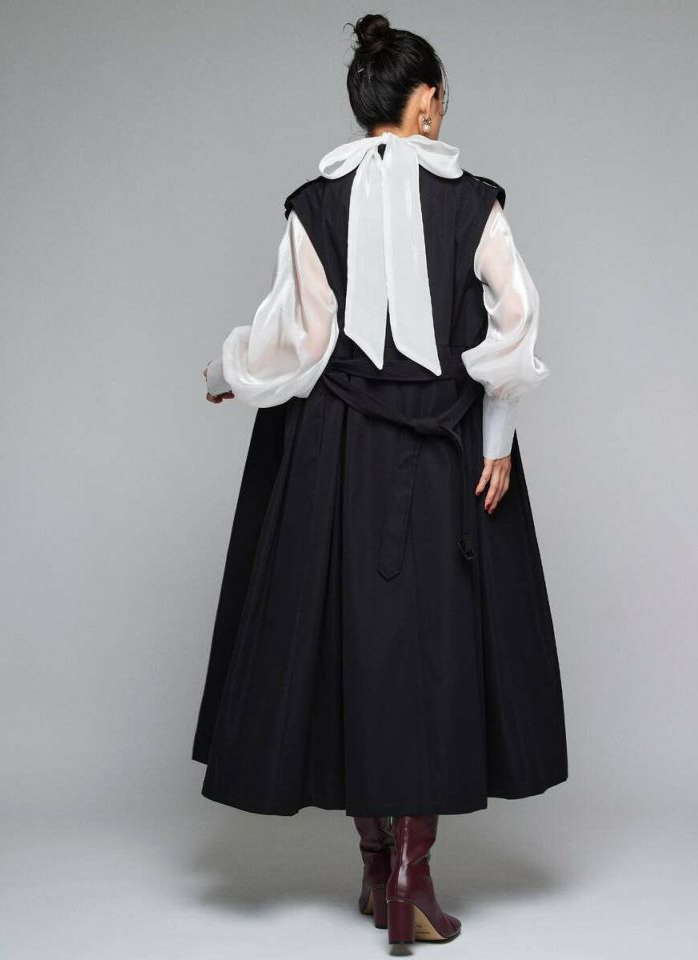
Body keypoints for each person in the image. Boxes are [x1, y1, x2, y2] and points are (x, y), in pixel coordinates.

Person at [192, 13, 567, 946]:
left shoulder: (313, 203)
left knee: (349, 643)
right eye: (441, 96)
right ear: (426, 101)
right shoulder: (474, 201)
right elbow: (515, 323)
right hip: (445, 448)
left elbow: (295, 338)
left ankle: (376, 869)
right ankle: (409, 880)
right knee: (435, 650)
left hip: (338, 452)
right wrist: (497, 439)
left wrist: (223, 372)